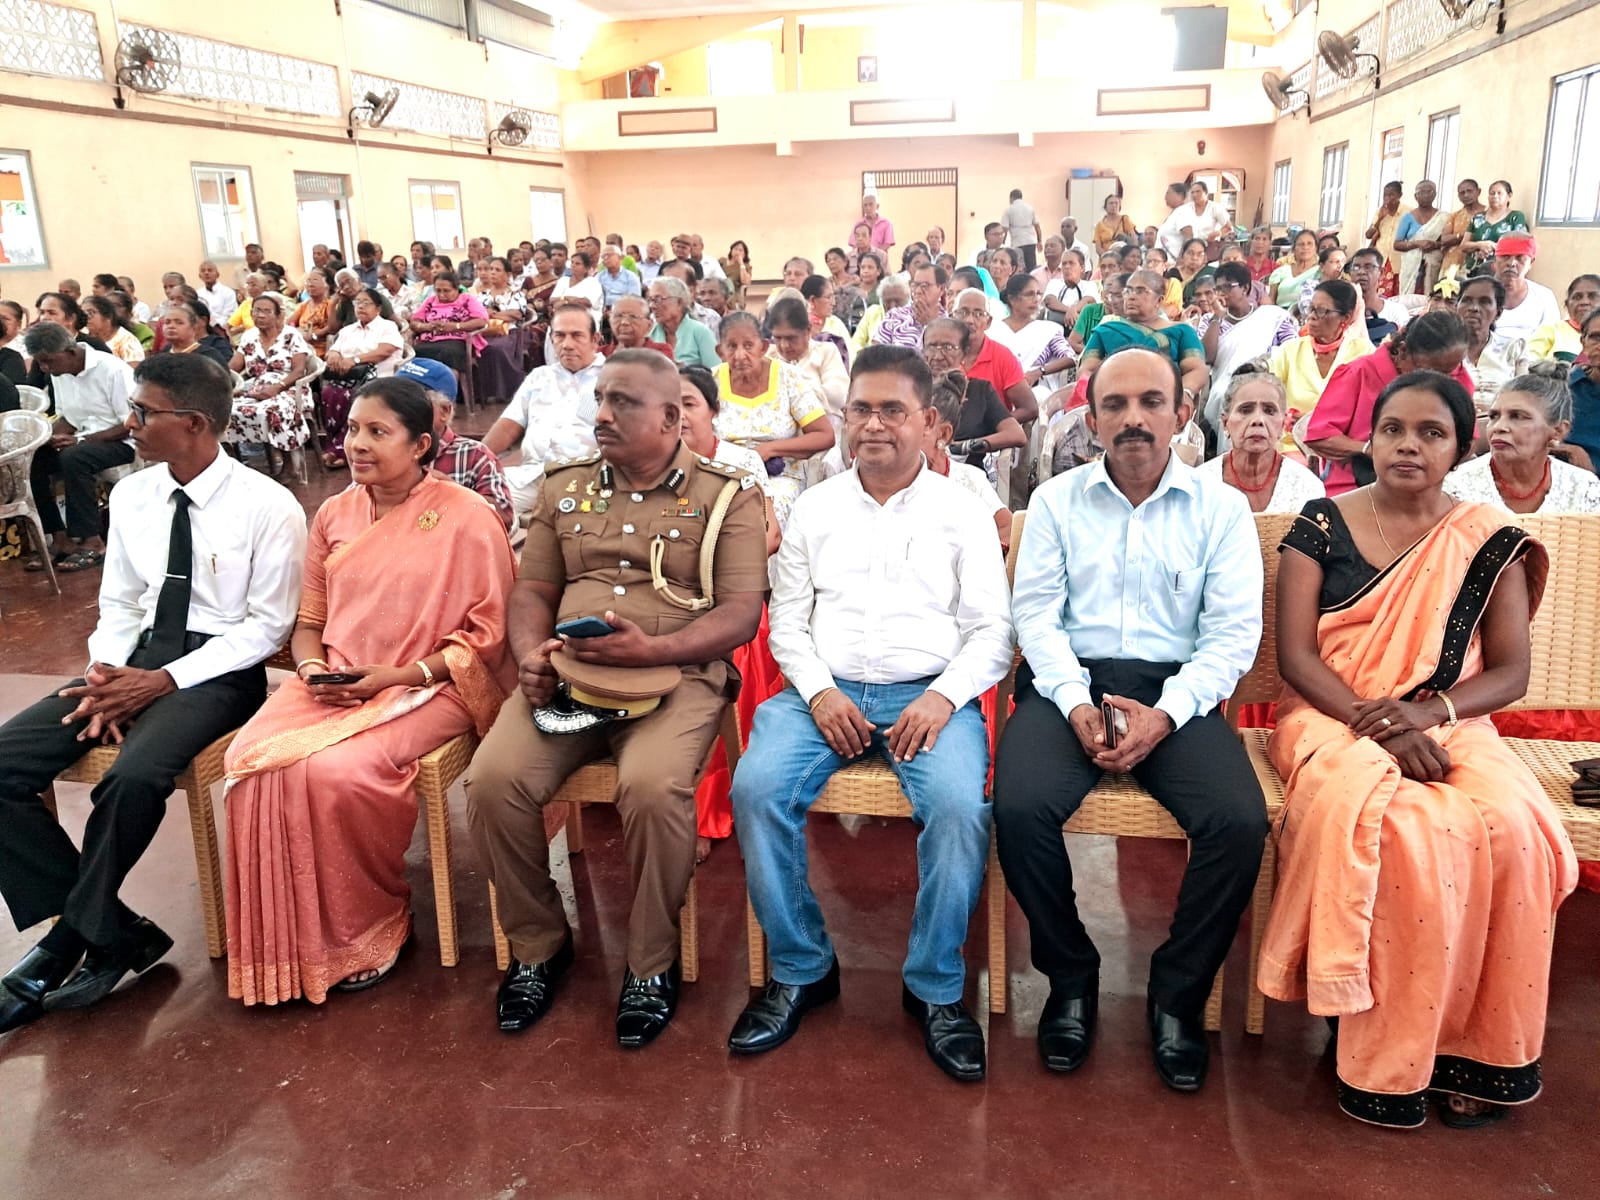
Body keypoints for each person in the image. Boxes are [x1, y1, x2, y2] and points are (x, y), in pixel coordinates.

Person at [1261, 369, 1577, 1129]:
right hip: (1331, 717)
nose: (1409, 445)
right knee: (1405, 826)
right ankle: (1381, 1045)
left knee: (1514, 828)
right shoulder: (1321, 523)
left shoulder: (1486, 536)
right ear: (1370, 440)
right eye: (1393, 429)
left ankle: (1475, 1049)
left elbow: (1509, 672)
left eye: (1431, 433)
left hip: (1449, 719)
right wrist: (1383, 726)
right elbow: (1297, 658)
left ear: (1461, 447)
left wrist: (1426, 714)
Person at [466, 348, 767, 1047]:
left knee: (653, 789)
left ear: (671, 418)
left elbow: (741, 613)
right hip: (568, 675)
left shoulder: (726, 495)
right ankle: (539, 945)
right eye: (601, 398)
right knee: (493, 783)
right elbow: (534, 589)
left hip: (679, 677)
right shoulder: (564, 486)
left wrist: (655, 650)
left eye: (622, 402)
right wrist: (531, 654)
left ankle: (651, 961)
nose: (602, 413)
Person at [727, 346, 1011, 1081]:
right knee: (757, 789)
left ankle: (935, 986)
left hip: (930, 694)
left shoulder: (963, 512)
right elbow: (788, 623)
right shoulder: (815, 508)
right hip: (823, 693)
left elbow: (992, 631)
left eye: (893, 410)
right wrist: (820, 692)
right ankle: (802, 968)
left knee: (958, 808)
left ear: (930, 422)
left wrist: (942, 697)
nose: (874, 425)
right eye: (861, 409)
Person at [0, 353, 304, 1035]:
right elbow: (120, 602)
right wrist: (106, 674)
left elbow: (266, 628)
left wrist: (165, 681)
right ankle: (112, 930)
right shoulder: (135, 495)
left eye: (143, 412)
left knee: (134, 777)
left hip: (219, 672)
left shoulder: (267, 506)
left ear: (193, 422)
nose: (129, 423)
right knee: (4, 763)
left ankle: (65, 943)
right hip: (133, 659)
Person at [996, 346, 1267, 1091]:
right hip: (1069, 684)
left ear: (1183, 413)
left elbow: (1230, 638)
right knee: (1017, 807)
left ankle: (1176, 994)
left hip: (1177, 692)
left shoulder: (1220, 509)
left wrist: (1166, 715)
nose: (1134, 419)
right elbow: (1036, 618)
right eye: (1114, 405)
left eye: (1152, 402)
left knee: (1238, 821)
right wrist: (1076, 702)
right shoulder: (1055, 502)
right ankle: (1071, 976)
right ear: (1091, 419)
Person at [224, 376, 512, 1005]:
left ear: (421, 445)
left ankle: (371, 924)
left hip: (433, 685)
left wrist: (398, 677)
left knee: (339, 773)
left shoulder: (468, 516)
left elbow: (488, 639)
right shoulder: (334, 513)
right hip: (335, 679)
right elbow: (309, 624)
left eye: (378, 432)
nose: (357, 443)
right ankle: (289, 942)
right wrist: (310, 672)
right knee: (248, 763)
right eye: (353, 428)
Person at [1306, 311, 1474, 495]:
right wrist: (1370, 450)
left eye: (1449, 371)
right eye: (1426, 370)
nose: (1438, 379)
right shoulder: (1359, 372)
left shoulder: (1456, 376)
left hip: (1431, 487)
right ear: (1402, 351)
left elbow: (1468, 440)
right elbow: (1320, 437)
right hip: (1357, 485)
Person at [24, 322, 137, 572]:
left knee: (75, 457)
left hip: (122, 442)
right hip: (82, 441)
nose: (44, 368)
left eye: (48, 361)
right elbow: (68, 419)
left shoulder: (112, 370)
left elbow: (132, 423)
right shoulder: (59, 374)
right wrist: (46, 438)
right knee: (34, 458)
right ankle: (59, 538)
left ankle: (93, 541)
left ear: (71, 352)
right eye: (40, 362)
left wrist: (82, 440)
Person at [484, 303, 605, 519]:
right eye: (559, 336)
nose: (567, 345)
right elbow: (509, 425)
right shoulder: (540, 377)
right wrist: (477, 461)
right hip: (531, 475)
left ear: (595, 340)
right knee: (475, 504)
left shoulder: (611, 379)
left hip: (585, 480)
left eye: (577, 336)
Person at [713, 311, 833, 524]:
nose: (740, 355)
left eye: (748, 345)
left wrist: (770, 449)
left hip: (779, 474)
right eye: (731, 346)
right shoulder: (711, 382)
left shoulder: (788, 377)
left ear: (763, 347)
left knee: (766, 513)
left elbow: (824, 435)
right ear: (720, 352)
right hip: (725, 475)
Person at [1445, 367, 1600, 512]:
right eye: (1493, 416)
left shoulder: (1583, 488)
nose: (1499, 427)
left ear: (1558, 431)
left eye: (1518, 416)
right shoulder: (1456, 488)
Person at [398, 357, 515, 533]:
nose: (399, 411)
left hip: (452, 545)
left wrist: (450, 489)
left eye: (411, 402)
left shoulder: (474, 455)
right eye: (394, 402)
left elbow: (504, 519)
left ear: (444, 411)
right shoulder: (386, 449)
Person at [1198, 367, 1325, 512]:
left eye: (1269, 411)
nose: (1258, 420)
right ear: (1225, 423)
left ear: (1283, 424)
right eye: (1246, 410)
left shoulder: (1306, 486)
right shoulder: (1200, 484)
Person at [1196, 261, 1299, 437]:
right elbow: (1207, 357)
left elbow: (1291, 350)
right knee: (1225, 395)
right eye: (1217, 289)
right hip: (1225, 385)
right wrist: (1217, 317)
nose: (1221, 293)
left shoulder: (1272, 316)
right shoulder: (1209, 320)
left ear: (1245, 288)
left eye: (1227, 287)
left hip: (1267, 380)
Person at [1078, 270, 1208, 407]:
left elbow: (1197, 369)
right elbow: (1087, 370)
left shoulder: (1182, 331)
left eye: (1140, 291)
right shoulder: (1106, 330)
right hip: (1113, 401)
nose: (1131, 297)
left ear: (1159, 300)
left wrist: (1183, 394)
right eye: (1128, 291)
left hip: (1163, 402)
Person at [920, 317, 1028, 469]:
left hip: (967, 473)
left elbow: (1016, 434)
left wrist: (964, 447)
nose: (937, 356)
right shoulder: (912, 389)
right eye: (931, 347)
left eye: (948, 347)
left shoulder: (980, 390)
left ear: (965, 353)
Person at [1267, 280, 1372, 435]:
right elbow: (1267, 394)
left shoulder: (1363, 352)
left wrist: (1310, 422)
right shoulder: (1290, 351)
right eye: (1311, 309)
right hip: (1290, 442)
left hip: (1341, 442)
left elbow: (1367, 410)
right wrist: (1286, 417)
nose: (1311, 317)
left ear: (1345, 318)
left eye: (1321, 311)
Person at [318, 288, 404, 469]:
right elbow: (333, 350)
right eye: (358, 303)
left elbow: (384, 351)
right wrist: (334, 356)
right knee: (329, 393)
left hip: (379, 377)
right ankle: (337, 445)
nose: (361, 307)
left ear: (378, 308)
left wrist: (355, 360)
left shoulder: (387, 327)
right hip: (348, 377)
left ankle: (344, 450)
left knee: (354, 397)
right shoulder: (348, 330)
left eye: (366, 303)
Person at [226, 291, 312, 462]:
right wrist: (231, 385)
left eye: (267, 311)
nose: (260, 315)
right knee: (227, 409)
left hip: (290, 387)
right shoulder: (249, 336)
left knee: (274, 410)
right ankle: (245, 459)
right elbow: (233, 367)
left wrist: (277, 388)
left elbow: (298, 371)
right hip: (255, 387)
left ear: (278, 316)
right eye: (257, 311)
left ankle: (287, 461)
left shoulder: (291, 335)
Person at [767, 296, 850, 438]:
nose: (784, 346)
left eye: (791, 338)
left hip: (823, 437)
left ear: (808, 330)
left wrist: (796, 382)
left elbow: (838, 397)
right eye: (778, 338)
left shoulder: (825, 352)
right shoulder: (769, 357)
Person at [949, 289, 1037, 423]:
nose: (970, 320)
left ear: (988, 322)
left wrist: (997, 426)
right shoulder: (940, 353)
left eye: (979, 314)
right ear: (952, 317)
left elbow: (1029, 408)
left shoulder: (1002, 357)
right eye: (963, 312)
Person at [999, 274, 1075, 409]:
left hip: (1036, 394)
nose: (1036, 300)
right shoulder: (993, 329)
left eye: (1038, 294)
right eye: (1029, 294)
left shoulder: (1048, 330)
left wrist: (1039, 371)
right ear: (1012, 299)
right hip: (999, 391)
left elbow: (1070, 358)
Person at [1457, 275, 1524, 411]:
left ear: (1498, 313)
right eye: (1467, 300)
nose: (1474, 308)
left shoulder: (1513, 349)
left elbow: (1525, 395)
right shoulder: (1444, 348)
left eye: (1484, 302)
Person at [471, 257, 531, 404]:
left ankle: (505, 391)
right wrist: (502, 314)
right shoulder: (482, 296)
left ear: (507, 274)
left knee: (496, 348)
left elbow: (516, 314)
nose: (492, 273)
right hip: (485, 332)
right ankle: (482, 393)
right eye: (491, 269)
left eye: (497, 270)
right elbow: (476, 315)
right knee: (475, 347)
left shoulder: (515, 294)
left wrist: (492, 314)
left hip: (509, 333)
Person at [1488, 235, 1561, 353]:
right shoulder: (1477, 293)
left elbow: (1552, 338)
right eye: (1505, 256)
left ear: (1531, 262)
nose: (1512, 263)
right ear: (1495, 260)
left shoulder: (1544, 296)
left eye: (1520, 258)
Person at [409, 272, 488, 375]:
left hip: (456, 341)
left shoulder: (467, 299)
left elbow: (481, 321)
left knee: (448, 354)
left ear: (457, 289)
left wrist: (455, 326)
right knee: (414, 354)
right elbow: (414, 322)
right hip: (429, 341)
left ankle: (449, 384)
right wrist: (426, 326)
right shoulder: (430, 301)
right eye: (438, 290)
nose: (441, 294)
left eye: (446, 291)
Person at [647, 276, 718, 369]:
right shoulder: (650, 333)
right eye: (650, 300)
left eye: (658, 299)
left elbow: (716, 371)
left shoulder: (700, 332)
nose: (652, 306)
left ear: (679, 302)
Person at [1461, 179, 1530, 274]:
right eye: (1492, 193)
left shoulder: (1516, 217)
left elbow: (1519, 245)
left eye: (1499, 193)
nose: (1495, 196)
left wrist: (1492, 247)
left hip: (1501, 270)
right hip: (1473, 269)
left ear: (1509, 196)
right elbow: (1463, 245)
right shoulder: (1477, 218)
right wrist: (1480, 245)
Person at [1527, 274, 1600, 363]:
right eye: (1577, 297)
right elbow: (1528, 359)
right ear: (1567, 305)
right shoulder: (1552, 329)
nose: (1584, 302)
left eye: (1593, 296)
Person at [873, 264, 948, 349]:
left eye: (924, 286)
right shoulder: (895, 315)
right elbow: (876, 351)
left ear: (941, 289)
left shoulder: (948, 321)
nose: (918, 291)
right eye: (915, 285)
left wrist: (930, 325)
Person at [1347, 248, 1412, 344]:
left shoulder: (1397, 312)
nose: (1361, 272)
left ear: (1381, 273)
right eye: (1356, 267)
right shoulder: (1341, 311)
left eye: (1368, 267)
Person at [1393, 180, 1445, 297]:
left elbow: (1446, 242)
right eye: (1422, 192)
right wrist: (1417, 244)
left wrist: (1434, 245)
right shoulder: (1407, 217)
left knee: (1430, 296)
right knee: (1409, 298)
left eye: (1429, 192)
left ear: (1435, 194)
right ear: (1416, 196)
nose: (1425, 195)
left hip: (1433, 265)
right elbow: (1397, 244)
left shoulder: (1443, 217)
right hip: (1411, 266)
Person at [1363, 182, 1409, 297]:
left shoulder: (1408, 212)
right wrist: (1380, 219)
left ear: (1400, 195)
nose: (1388, 199)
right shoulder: (1380, 212)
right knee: (1380, 294)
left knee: (1397, 295)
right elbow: (1368, 235)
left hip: (1399, 259)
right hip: (1382, 258)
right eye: (1385, 195)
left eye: (1391, 195)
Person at [161, 301, 234, 368]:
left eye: (179, 322)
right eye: (167, 322)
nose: (171, 326)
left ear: (193, 326)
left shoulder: (209, 355)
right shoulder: (166, 351)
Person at [1438, 178, 1487, 277]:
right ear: (1458, 196)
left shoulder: (1488, 214)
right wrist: (1466, 236)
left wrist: (1456, 238)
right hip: (1453, 263)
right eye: (1462, 193)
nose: (1466, 195)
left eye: (1469, 191)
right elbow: (1444, 239)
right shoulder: (1455, 216)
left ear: (1478, 191)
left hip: (1478, 262)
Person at [289, 266, 340, 359]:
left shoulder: (330, 304)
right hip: (300, 343)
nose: (310, 284)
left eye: (315, 280)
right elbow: (290, 322)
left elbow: (332, 328)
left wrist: (314, 336)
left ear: (327, 285)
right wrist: (294, 329)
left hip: (319, 346)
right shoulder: (304, 305)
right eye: (308, 281)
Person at [1069, 272, 1125, 355]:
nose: (1110, 297)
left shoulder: (1128, 316)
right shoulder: (1089, 310)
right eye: (1108, 288)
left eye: (1117, 294)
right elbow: (1072, 342)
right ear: (1101, 294)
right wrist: (1095, 355)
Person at [1179, 181, 1234, 261]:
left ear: (1206, 193)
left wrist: (1217, 234)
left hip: (1210, 247)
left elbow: (1229, 228)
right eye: (1192, 192)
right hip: (1191, 247)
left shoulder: (1215, 207)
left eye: (1198, 191)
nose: (1195, 195)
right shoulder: (1186, 209)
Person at [1267, 229, 1321, 311]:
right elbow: (1271, 300)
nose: (1305, 247)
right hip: (1280, 313)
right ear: (1294, 249)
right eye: (1301, 244)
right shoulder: (1281, 272)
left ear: (1316, 248)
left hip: (1308, 313)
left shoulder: (1320, 272)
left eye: (1309, 244)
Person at [83, 295, 145, 365]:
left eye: (90, 313)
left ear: (108, 316)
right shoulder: (82, 335)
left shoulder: (128, 341)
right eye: (83, 314)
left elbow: (133, 369)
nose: (86, 318)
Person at [1002, 187, 1042, 271]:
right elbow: (1037, 227)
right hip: (1030, 241)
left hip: (1017, 242)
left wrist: (1002, 243)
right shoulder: (1030, 208)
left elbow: (1004, 229)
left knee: (1018, 267)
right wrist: (1039, 241)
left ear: (1011, 198)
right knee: (1031, 267)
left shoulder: (1009, 210)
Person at [195, 262, 238, 330]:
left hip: (222, 329)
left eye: (210, 270)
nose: (206, 273)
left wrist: (215, 326)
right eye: (203, 271)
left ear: (217, 274)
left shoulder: (228, 292)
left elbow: (229, 316)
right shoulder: (198, 294)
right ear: (199, 276)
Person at [721, 241, 753, 310]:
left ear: (745, 254)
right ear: (731, 250)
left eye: (740, 250)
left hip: (734, 292)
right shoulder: (722, 261)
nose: (737, 252)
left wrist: (741, 264)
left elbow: (746, 282)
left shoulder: (746, 266)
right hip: (720, 288)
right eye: (735, 249)